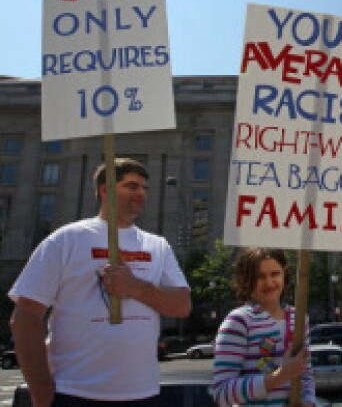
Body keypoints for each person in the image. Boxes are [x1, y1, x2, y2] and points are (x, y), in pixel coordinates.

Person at [8, 158, 192, 407]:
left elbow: (181, 306)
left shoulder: (157, 245)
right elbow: (25, 316)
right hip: (74, 393)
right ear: (105, 190)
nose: (140, 194)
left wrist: (136, 287)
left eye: (144, 188)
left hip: (143, 394)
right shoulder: (66, 240)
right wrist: (42, 395)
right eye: (131, 186)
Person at [212, 247, 316, 406]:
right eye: (259, 276)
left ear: (284, 274)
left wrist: (308, 401)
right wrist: (280, 376)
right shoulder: (239, 321)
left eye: (275, 274)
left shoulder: (300, 318)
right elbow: (221, 393)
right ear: (246, 280)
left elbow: (306, 374)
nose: (269, 282)